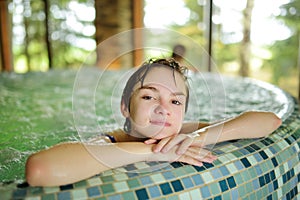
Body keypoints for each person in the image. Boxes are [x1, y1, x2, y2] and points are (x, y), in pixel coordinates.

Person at [25, 58, 282, 186]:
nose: (163, 109)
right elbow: (38, 170)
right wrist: (154, 151)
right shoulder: (108, 141)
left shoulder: (184, 131)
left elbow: (269, 120)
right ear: (125, 107)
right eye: (149, 96)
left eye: (175, 102)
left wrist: (194, 138)